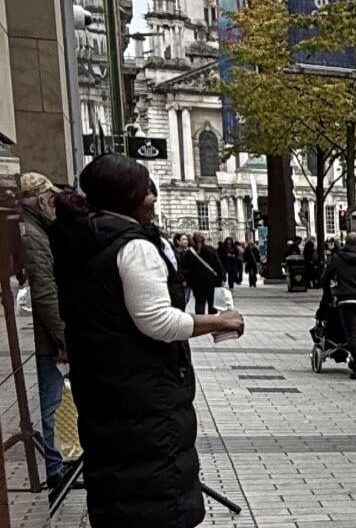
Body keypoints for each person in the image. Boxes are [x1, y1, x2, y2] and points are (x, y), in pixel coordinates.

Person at [50, 154, 244, 528]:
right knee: (156, 494)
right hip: (143, 391)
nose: (153, 197)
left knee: (119, 488)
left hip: (105, 385)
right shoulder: (132, 246)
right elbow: (156, 320)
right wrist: (219, 320)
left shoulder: (82, 238)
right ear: (130, 196)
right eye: (146, 189)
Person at [18, 173, 71, 492]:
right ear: (41, 200)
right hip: (46, 338)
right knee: (51, 401)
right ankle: (54, 466)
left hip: (46, 335)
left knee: (53, 399)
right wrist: (64, 339)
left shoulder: (34, 229)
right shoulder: (33, 235)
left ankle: (56, 462)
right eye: (52, 200)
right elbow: (45, 292)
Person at [322, 232, 356, 379]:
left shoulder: (338, 259)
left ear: (346, 242)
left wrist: (328, 295)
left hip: (345, 300)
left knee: (350, 334)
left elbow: (325, 277)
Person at [180, 231, 223, 314]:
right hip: (211, 282)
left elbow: (184, 268)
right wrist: (220, 279)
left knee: (200, 303)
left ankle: (201, 322)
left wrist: (189, 279)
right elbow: (218, 265)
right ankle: (212, 322)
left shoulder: (189, 253)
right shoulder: (210, 250)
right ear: (204, 239)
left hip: (197, 283)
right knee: (212, 303)